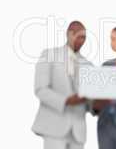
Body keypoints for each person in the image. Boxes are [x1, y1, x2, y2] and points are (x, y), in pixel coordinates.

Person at [32, 21, 93, 149]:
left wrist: (96, 105)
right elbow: (40, 89)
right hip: (54, 126)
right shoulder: (49, 55)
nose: (82, 41)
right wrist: (66, 101)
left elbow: (90, 99)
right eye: (79, 36)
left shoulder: (88, 65)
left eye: (84, 37)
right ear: (69, 34)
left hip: (78, 130)